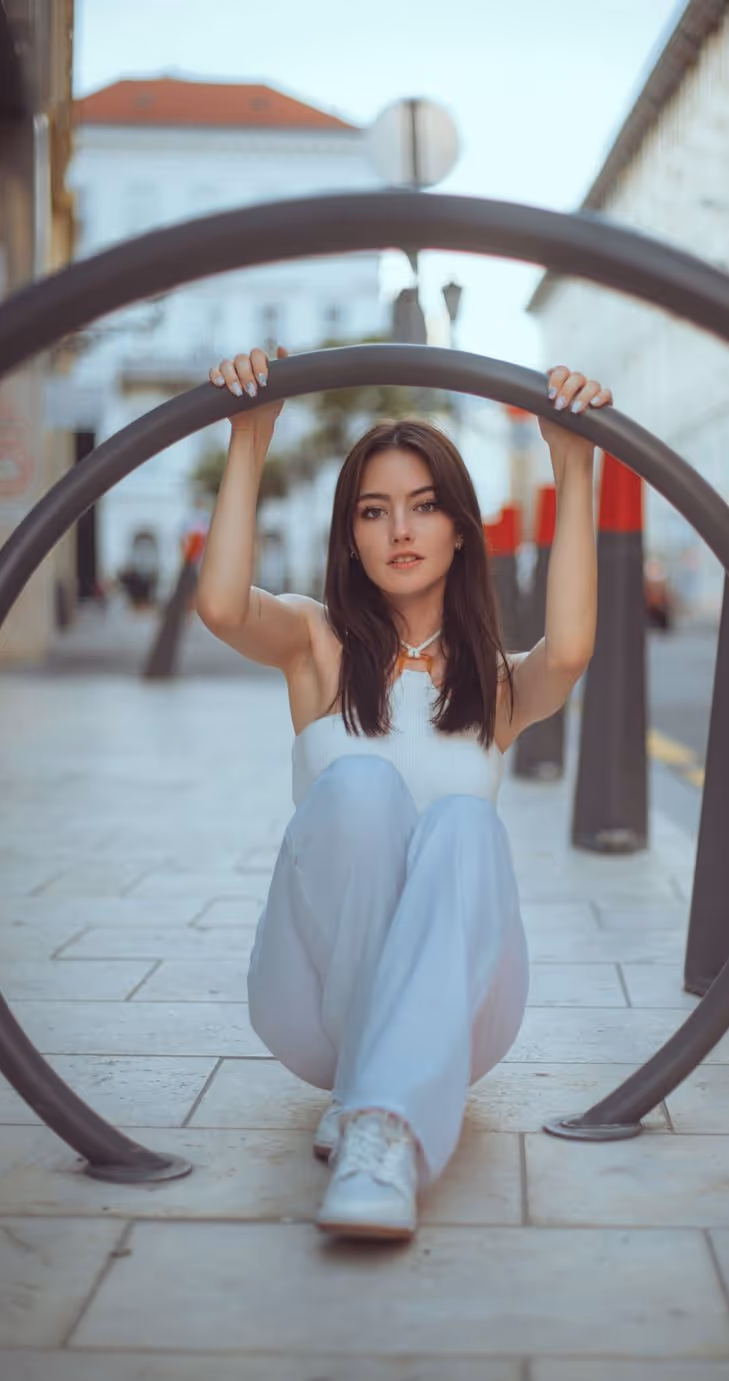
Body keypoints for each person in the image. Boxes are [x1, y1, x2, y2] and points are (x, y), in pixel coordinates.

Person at [197, 343, 613, 1241]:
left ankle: (379, 1126)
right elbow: (225, 608)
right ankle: (374, 1099)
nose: (400, 531)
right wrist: (250, 435)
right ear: (350, 534)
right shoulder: (315, 643)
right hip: (313, 1006)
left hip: (466, 1018)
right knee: (359, 792)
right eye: (374, 511)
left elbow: (571, 650)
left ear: (461, 527)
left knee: (464, 822)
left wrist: (573, 462)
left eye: (425, 507)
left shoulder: (493, 684)